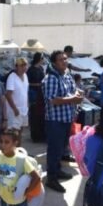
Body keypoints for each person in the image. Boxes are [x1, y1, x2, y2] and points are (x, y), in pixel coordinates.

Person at [43, 50, 81, 192]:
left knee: (62, 148)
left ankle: (57, 170)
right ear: (54, 63)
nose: (64, 61)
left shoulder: (66, 75)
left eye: (65, 59)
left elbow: (74, 90)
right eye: (60, 60)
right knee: (54, 149)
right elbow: (52, 100)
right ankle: (51, 178)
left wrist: (77, 94)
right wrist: (73, 99)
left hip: (66, 119)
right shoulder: (51, 78)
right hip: (55, 121)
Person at [5, 57, 30, 139]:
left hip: (24, 110)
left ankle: (18, 150)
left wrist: (27, 106)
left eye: (25, 65)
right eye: (21, 66)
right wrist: (15, 109)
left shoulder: (25, 76)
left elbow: (25, 92)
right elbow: (8, 95)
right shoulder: (12, 77)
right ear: (16, 67)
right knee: (13, 134)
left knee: (20, 134)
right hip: (14, 111)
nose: (24, 68)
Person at [27, 52, 47, 142]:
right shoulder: (31, 69)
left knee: (40, 114)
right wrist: (38, 84)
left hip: (41, 93)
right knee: (34, 114)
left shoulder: (41, 68)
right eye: (42, 58)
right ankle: (34, 134)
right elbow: (27, 83)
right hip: (33, 93)